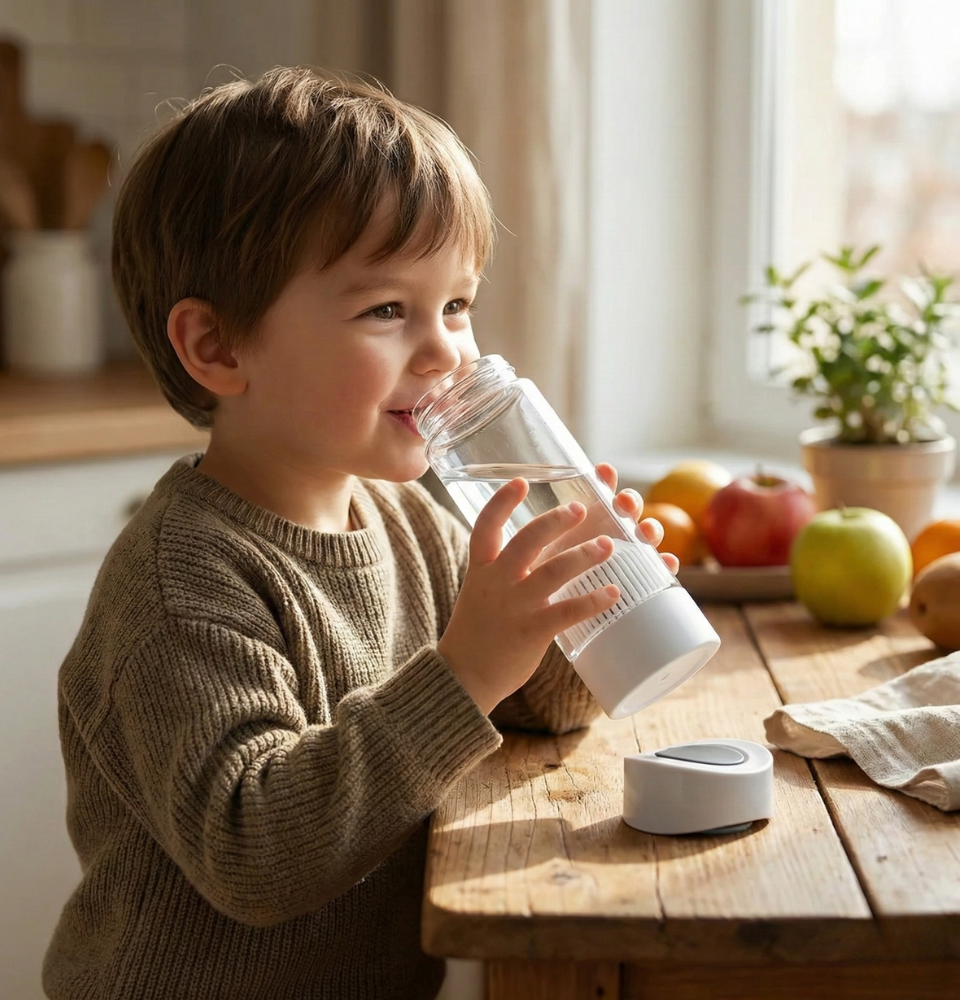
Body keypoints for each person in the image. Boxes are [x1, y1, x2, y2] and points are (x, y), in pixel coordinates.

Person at [42, 67, 677, 1000]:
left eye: (456, 304)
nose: (447, 351)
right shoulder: (181, 582)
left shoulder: (413, 521)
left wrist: (574, 609)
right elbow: (257, 853)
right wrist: (468, 667)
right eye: (388, 310)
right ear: (217, 347)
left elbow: (533, 710)